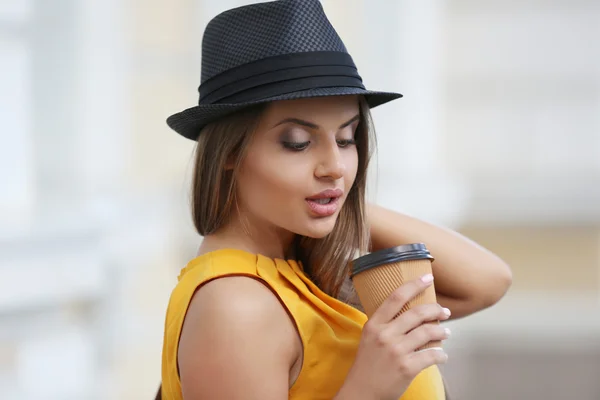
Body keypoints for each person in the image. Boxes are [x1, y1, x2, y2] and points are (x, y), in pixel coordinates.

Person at [158, 1, 512, 399]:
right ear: (228, 154)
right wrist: (369, 388)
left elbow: (486, 282)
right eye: (298, 143)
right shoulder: (237, 304)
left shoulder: (309, 277)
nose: (335, 166)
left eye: (346, 139)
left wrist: (340, 201)